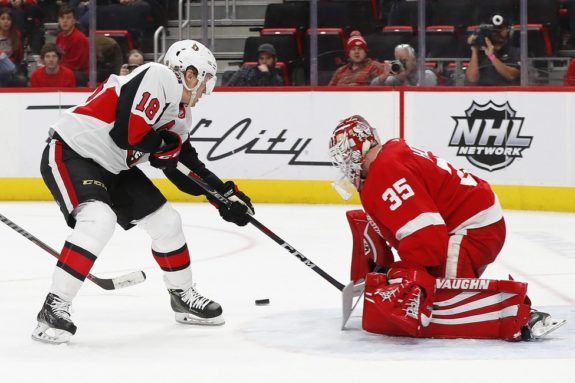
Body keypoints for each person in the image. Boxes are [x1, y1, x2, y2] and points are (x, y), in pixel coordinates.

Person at [32, 39, 255, 344]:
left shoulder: (180, 116)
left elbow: (182, 167)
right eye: (205, 82)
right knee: (98, 220)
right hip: (73, 152)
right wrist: (163, 146)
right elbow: (127, 133)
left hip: (115, 167)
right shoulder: (158, 76)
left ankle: (182, 296)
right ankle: (54, 306)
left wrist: (223, 196)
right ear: (189, 74)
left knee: (168, 222)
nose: (205, 91)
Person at [328, 115, 565, 341]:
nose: (343, 165)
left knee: (449, 303)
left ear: (357, 149)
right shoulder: (389, 158)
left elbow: (428, 242)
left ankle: (521, 316)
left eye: (343, 156)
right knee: (431, 292)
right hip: (468, 219)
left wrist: (402, 272)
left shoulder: (386, 172)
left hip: (474, 227)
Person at [465, 14, 520, 86]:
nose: (498, 33)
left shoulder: (515, 52)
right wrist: (474, 50)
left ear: (508, 30)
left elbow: (512, 75)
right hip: (484, 93)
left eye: (502, 29)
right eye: (495, 30)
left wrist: (491, 56)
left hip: (508, 93)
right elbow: (472, 79)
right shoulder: (480, 52)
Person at [370, 44, 437, 86]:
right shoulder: (396, 76)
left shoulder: (427, 75)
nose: (401, 64)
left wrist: (404, 81)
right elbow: (372, 87)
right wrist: (384, 75)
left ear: (414, 60)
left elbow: (419, 99)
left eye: (404, 61)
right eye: (398, 61)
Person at [55, 5, 89, 86]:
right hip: (63, 69)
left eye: (68, 18)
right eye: (62, 18)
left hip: (79, 73)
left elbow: (75, 65)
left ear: (74, 20)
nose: (65, 21)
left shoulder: (79, 38)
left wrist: (55, 66)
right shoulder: (59, 36)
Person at [0, 7, 26, 86]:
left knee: (22, 80)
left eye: (8, 19)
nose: (6, 22)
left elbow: (19, 56)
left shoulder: (17, 34)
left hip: (12, 67)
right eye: (3, 19)